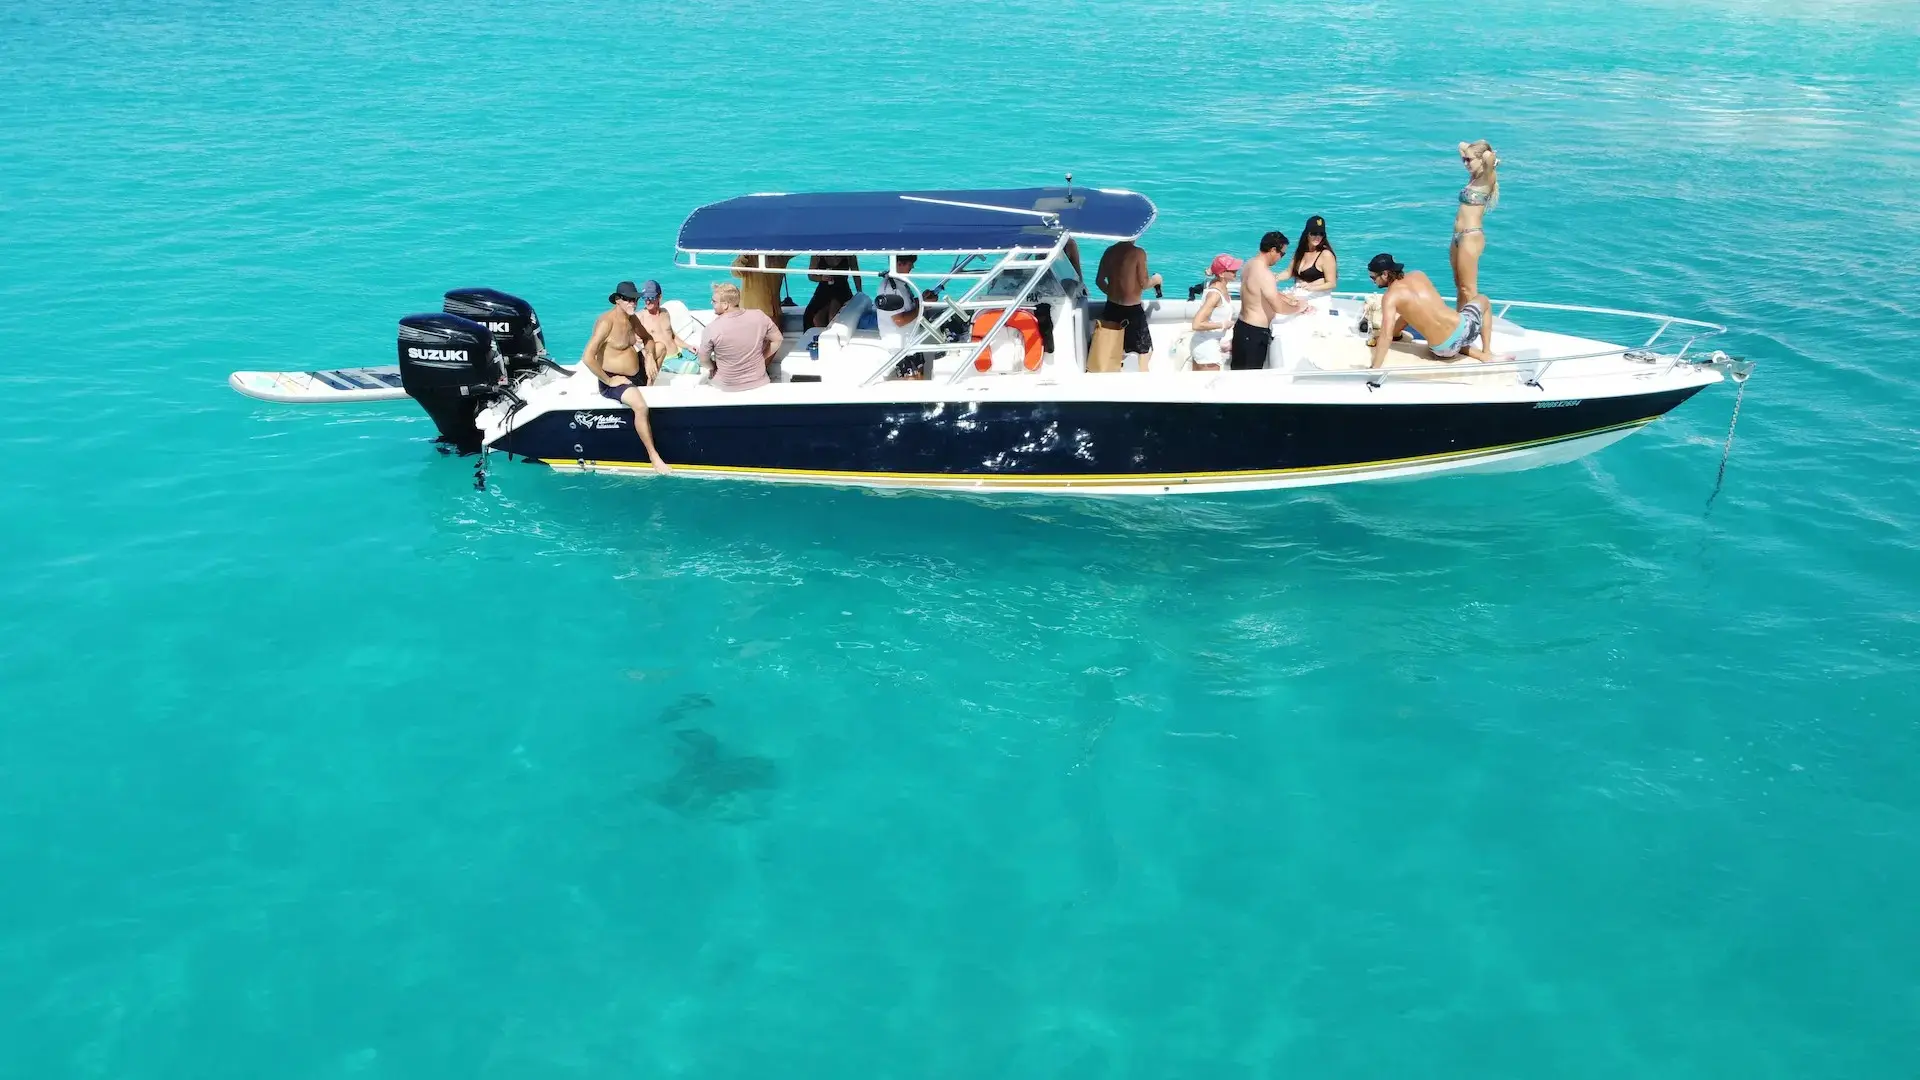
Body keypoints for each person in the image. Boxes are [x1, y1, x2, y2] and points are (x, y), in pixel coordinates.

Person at [580, 281, 669, 473]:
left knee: (660, 347)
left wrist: (649, 357)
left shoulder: (632, 318)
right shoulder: (606, 323)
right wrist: (610, 380)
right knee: (641, 406)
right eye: (629, 300)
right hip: (615, 380)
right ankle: (653, 456)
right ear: (618, 300)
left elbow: (648, 339)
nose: (633, 303)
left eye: (635, 299)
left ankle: (646, 388)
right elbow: (587, 357)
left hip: (636, 374)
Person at [1366, 253, 1493, 368]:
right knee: (1483, 299)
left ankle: (1482, 354)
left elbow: (1386, 336)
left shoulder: (1390, 297)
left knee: (1449, 338)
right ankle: (1486, 352)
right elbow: (1420, 309)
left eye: (1373, 278)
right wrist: (1395, 333)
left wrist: (1375, 368)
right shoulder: (1419, 275)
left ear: (1385, 274)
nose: (1373, 282)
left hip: (1444, 350)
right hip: (1466, 329)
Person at [1232, 231, 1309, 370]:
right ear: (1273, 250)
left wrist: (1289, 299)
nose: (1281, 258)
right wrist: (1299, 308)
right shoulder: (1265, 273)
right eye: (1282, 254)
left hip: (1242, 328)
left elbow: (1260, 292)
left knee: (1237, 375)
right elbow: (1278, 307)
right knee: (1250, 381)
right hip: (1254, 334)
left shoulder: (1249, 264)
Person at [700, 281, 783, 391]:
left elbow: (703, 359)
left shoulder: (712, 328)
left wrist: (713, 367)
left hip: (726, 386)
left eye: (714, 301)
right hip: (759, 381)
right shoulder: (759, 316)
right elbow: (778, 340)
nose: (711, 303)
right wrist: (761, 358)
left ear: (725, 305)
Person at [1095, 239, 1163, 368]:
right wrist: (1156, 280)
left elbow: (1099, 281)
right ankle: (1143, 380)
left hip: (1111, 307)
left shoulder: (1109, 251)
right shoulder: (1138, 253)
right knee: (1145, 351)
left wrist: (1111, 293)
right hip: (1132, 310)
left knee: (1114, 349)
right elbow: (1144, 283)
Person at [1450, 139, 1500, 309]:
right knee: (1459, 285)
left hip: (1470, 235)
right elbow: (1461, 145)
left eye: (1469, 160)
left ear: (1481, 160)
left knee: (1468, 288)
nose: (1465, 163)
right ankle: (1460, 322)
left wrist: (1488, 156)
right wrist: (1472, 153)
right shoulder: (1474, 177)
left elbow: (1488, 156)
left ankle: (1478, 324)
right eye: (1465, 160)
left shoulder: (1487, 177)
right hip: (1457, 236)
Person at [875, 254, 927, 379]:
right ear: (899, 264)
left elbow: (906, 306)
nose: (912, 267)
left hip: (911, 340)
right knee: (911, 384)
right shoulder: (890, 289)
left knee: (920, 377)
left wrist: (922, 300)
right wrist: (921, 307)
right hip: (900, 346)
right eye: (910, 264)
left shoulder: (900, 284)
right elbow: (899, 320)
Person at [1189, 254, 1240, 370]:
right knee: (1209, 386)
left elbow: (1210, 271)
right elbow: (1196, 324)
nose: (1235, 271)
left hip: (1206, 343)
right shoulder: (1215, 295)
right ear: (1222, 274)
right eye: (1231, 270)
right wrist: (1222, 324)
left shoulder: (1217, 284)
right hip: (1207, 348)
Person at [633, 280, 689, 383]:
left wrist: (688, 346)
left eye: (651, 297)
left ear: (659, 297)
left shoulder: (665, 312)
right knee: (695, 368)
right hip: (664, 361)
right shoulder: (640, 317)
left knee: (706, 357)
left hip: (679, 354)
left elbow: (672, 336)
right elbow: (633, 341)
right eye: (645, 298)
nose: (648, 301)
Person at [1278, 215, 1337, 297]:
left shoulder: (1326, 255)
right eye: (1314, 233)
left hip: (1316, 300)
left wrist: (1312, 287)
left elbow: (1331, 283)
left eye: (1321, 234)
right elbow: (1288, 273)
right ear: (1307, 234)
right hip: (1299, 295)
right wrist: (1275, 278)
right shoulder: (1301, 251)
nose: (1317, 237)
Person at [731, 253, 792, 327]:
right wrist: (745, 254)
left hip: (774, 312)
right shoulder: (749, 256)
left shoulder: (780, 257)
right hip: (752, 312)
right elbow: (735, 272)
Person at [803, 255, 861, 329]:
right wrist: (821, 278)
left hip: (842, 289)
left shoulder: (848, 253)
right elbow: (811, 276)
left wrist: (859, 293)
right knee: (814, 317)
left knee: (832, 315)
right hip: (824, 289)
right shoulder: (817, 254)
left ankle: (831, 336)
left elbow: (856, 275)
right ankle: (821, 337)